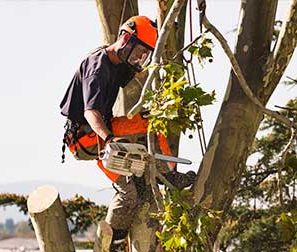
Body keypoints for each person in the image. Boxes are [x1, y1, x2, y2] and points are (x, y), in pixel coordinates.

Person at [59, 16, 195, 251]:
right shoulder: (98, 67)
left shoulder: (119, 64)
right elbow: (91, 112)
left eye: (145, 53)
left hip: (103, 131)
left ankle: (165, 175)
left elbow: (144, 77)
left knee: (149, 121)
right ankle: (114, 242)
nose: (140, 57)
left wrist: (167, 95)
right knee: (129, 192)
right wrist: (110, 140)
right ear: (125, 39)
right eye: (140, 50)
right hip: (87, 137)